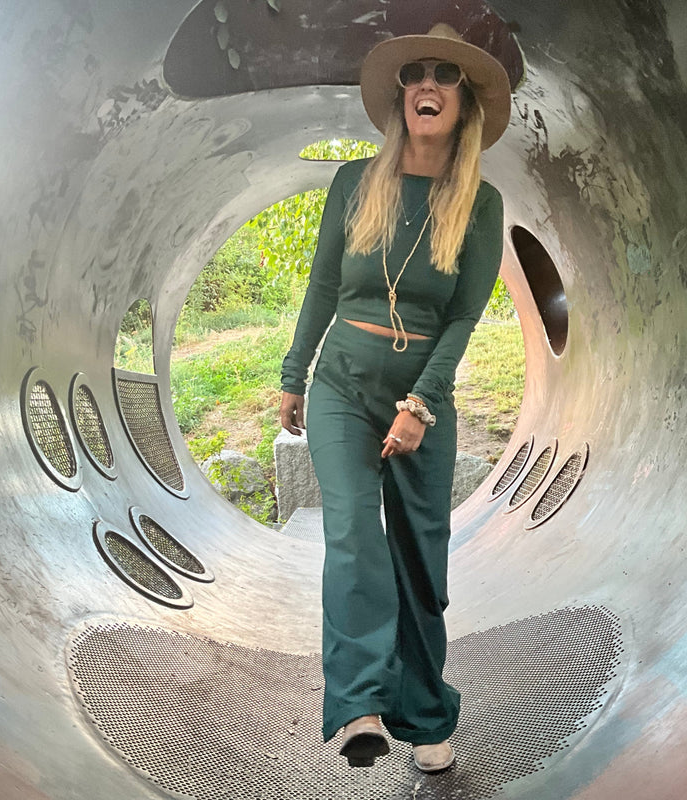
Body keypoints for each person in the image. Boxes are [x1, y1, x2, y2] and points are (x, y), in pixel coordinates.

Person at [279, 23, 511, 773]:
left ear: (465, 100)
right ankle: (358, 706)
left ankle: (424, 714)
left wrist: (421, 405)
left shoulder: (479, 201)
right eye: (416, 72)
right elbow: (320, 286)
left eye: (446, 74)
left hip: (422, 392)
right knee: (351, 532)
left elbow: (464, 315)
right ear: (400, 95)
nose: (428, 84)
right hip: (343, 380)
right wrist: (293, 372)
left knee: (421, 559)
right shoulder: (354, 183)